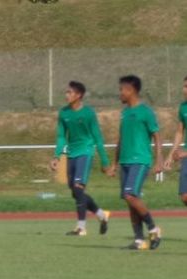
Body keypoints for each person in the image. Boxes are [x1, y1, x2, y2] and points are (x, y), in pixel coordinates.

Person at [107, 75, 163, 250]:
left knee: (130, 194)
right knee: (130, 199)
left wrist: (159, 159)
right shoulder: (124, 113)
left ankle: (153, 228)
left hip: (140, 160)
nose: (120, 93)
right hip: (125, 161)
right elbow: (121, 140)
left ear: (131, 91)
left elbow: (157, 135)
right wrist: (115, 164)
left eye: (122, 90)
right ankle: (139, 240)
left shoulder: (146, 112)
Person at [51, 81, 111, 236]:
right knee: (75, 192)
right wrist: (56, 156)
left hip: (85, 152)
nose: (67, 95)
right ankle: (101, 215)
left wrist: (105, 162)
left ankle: (81, 227)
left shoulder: (88, 113)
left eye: (70, 92)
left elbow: (97, 137)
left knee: (78, 188)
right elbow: (61, 137)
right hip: (71, 154)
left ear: (79, 95)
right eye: (66, 92)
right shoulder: (64, 113)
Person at [164, 76, 187, 207]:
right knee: (184, 196)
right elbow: (179, 132)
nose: (184, 90)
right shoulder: (183, 108)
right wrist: (171, 155)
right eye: (184, 86)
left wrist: (184, 154)